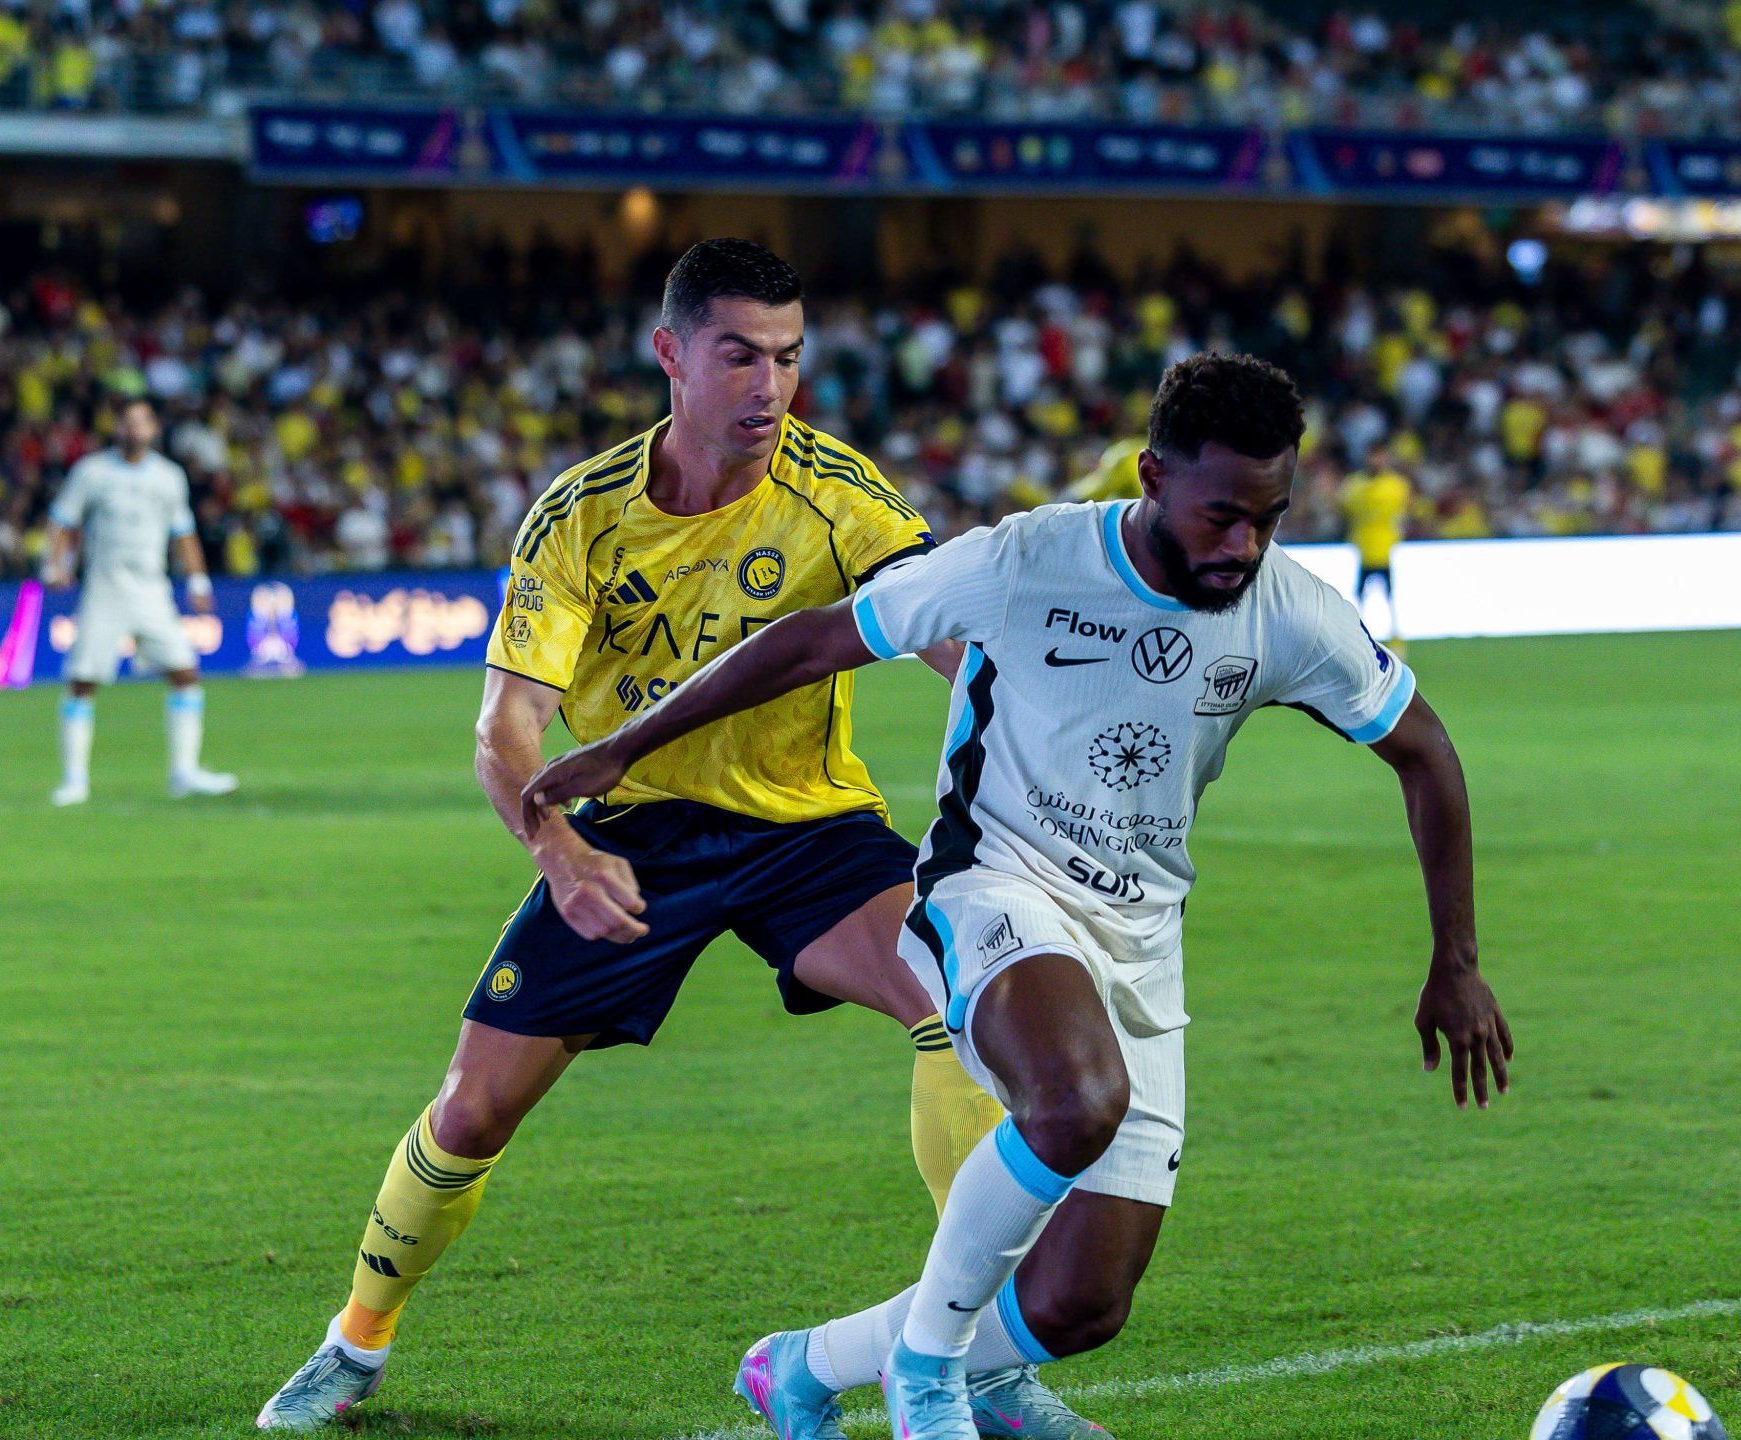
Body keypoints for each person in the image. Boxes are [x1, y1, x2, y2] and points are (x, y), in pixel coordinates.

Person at [522, 352, 1514, 1440]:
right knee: (1075, 1103)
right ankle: (928, 1378)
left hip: (1140, 934)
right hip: (990, 880)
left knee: (1080, 1304)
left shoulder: (1288, 611)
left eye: (1268, 518)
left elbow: (1426, 753)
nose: (1241, 546)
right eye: (1220, 515)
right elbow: (811, 640)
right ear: (1150, 476)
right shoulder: (1026, 559)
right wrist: (621, 749)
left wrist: (1455, 961)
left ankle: (805, 1366)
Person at [255, 240, 1018, 1431]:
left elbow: (949, 644)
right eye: (739, 356)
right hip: (628, 834)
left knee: (955, 997)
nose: (769, 386)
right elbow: (506, 725)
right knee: (470, 1110)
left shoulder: (840, 493)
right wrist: (558, 850)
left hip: (807, 828)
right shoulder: (582, 517)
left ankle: (977, 1359)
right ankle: (354, 1344)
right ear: (670, 354)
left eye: (788, 357)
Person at [41, 397, 236, 805]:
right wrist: (54, 565)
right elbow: (61, 521)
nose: (134, 430)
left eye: (141, 423)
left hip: (152, 588)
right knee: (82, 681)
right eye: (126, 423)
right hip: (105, 587)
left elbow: (184, 532)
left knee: (185, 672)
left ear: (153, 430)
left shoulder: (169, 477)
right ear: (117, 429)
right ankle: (74, 779)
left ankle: (184, 771)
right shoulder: (92, 472)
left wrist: (198, 580)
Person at [1339, 447, 1412, 644]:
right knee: (1361, 596)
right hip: (1364, 549)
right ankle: (1360, 637)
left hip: (1385, 550)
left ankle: (1395, 637)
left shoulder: (1393, 485)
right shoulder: (1356, 484)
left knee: (1389, 596)